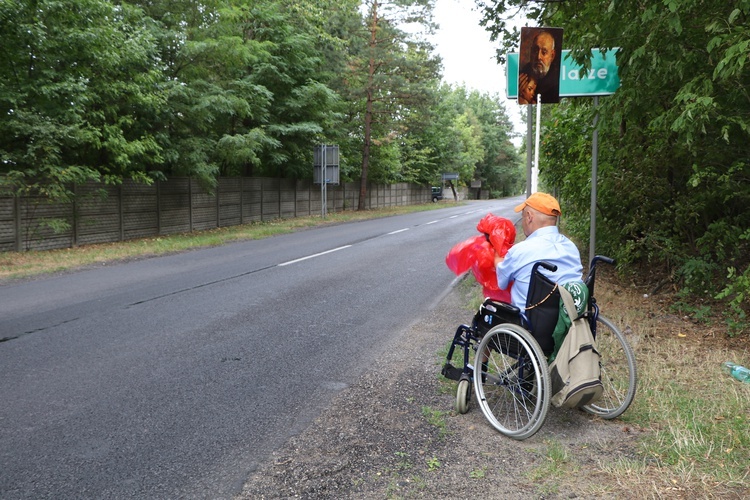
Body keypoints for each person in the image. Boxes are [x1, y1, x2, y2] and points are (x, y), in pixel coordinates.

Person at [494, 192, 583, 316]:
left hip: (530, 326)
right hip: (569, 320)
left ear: (529, 217)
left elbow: (502, 283)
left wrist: (497, 258)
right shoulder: (571, 247)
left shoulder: (519, 251)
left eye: (523, 216)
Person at [519, 30, 560, 104]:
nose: (538, 57)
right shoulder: (523, 73)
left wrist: (529, 100)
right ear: (531, 52)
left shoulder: (556, 81)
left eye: (544, 52)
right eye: (535, 50)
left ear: (552, 55)